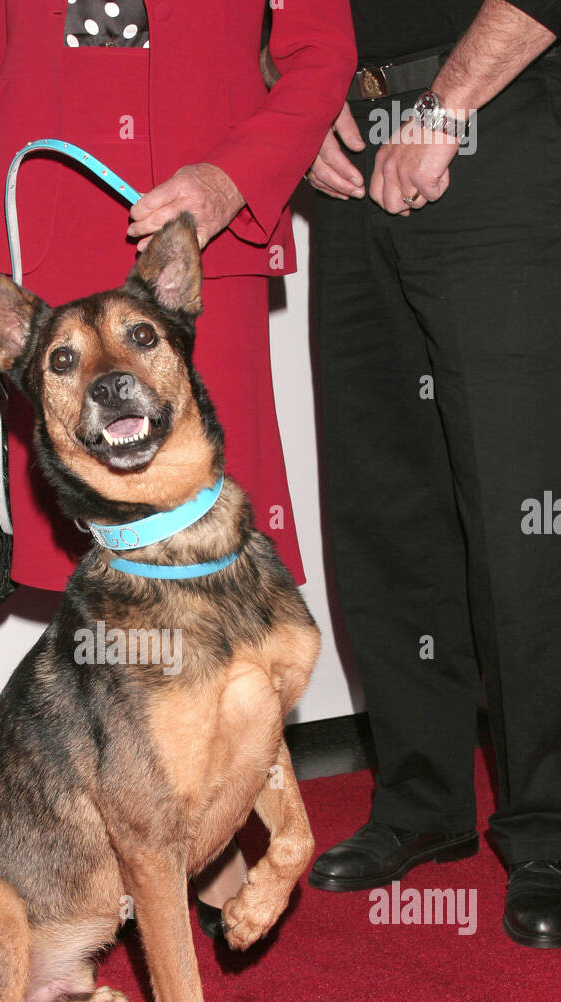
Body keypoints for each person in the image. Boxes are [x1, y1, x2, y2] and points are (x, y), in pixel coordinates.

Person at [0, 0, 355, 921]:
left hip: (189, 227)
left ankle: (213, 829)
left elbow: (324, 51)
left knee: (214, 544)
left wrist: (234, 178)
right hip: (42, 223)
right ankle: (127, 833)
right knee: (105, 570)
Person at [307, 0, 561, 946]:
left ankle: (551, 827)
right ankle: (424, 798)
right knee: (385, 492)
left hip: (497, 118)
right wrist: (296, 100)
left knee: (521, 504)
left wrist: (448, 107)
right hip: (352, 143)